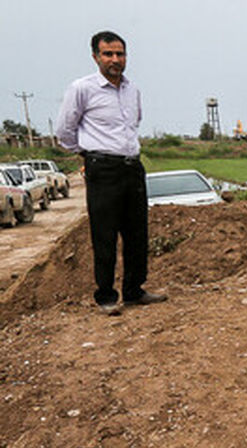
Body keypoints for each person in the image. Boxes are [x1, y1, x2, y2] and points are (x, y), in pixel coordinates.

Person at [55, 31, 166, 316]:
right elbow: (64, 130)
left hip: (132, 167)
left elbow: (134, 123)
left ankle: (134, 290)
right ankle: (106, 295)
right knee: (104, 234)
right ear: (96, 57)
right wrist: (88, 155)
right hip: (103, 169)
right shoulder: (82, 88)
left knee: (136, 232)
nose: (115, 60)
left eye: (120, 54)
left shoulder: (132, 90)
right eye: (108, 54)